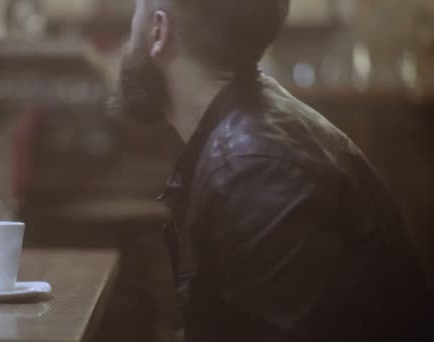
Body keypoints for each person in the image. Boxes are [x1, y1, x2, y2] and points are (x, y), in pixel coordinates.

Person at [108, 1, 432, 341]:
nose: (125, 46)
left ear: (159, 32)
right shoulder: (252, 139)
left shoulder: (255, 170)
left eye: (135, 18)